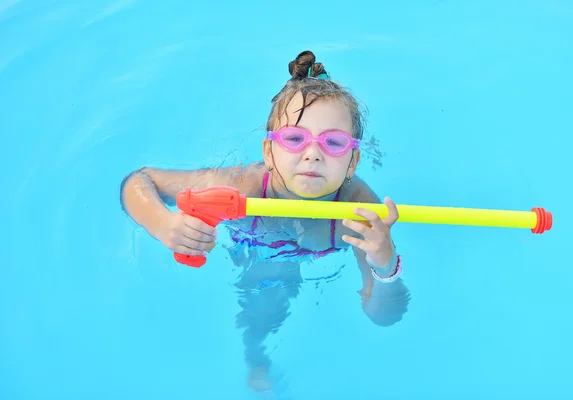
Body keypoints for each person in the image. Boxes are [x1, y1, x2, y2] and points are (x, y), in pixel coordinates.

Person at [120, 50, 410, 393]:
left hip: (304, 248)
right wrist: (162, 224)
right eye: (293, 139)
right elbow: (139, 181)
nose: (313, 153)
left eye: (333, 142)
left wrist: (385, 266)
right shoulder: (240, 186)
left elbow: (383, 315)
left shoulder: (359, 210)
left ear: (352, 162)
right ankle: (256, 361)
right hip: (256, 244)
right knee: (265, 300)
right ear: (268, 152)